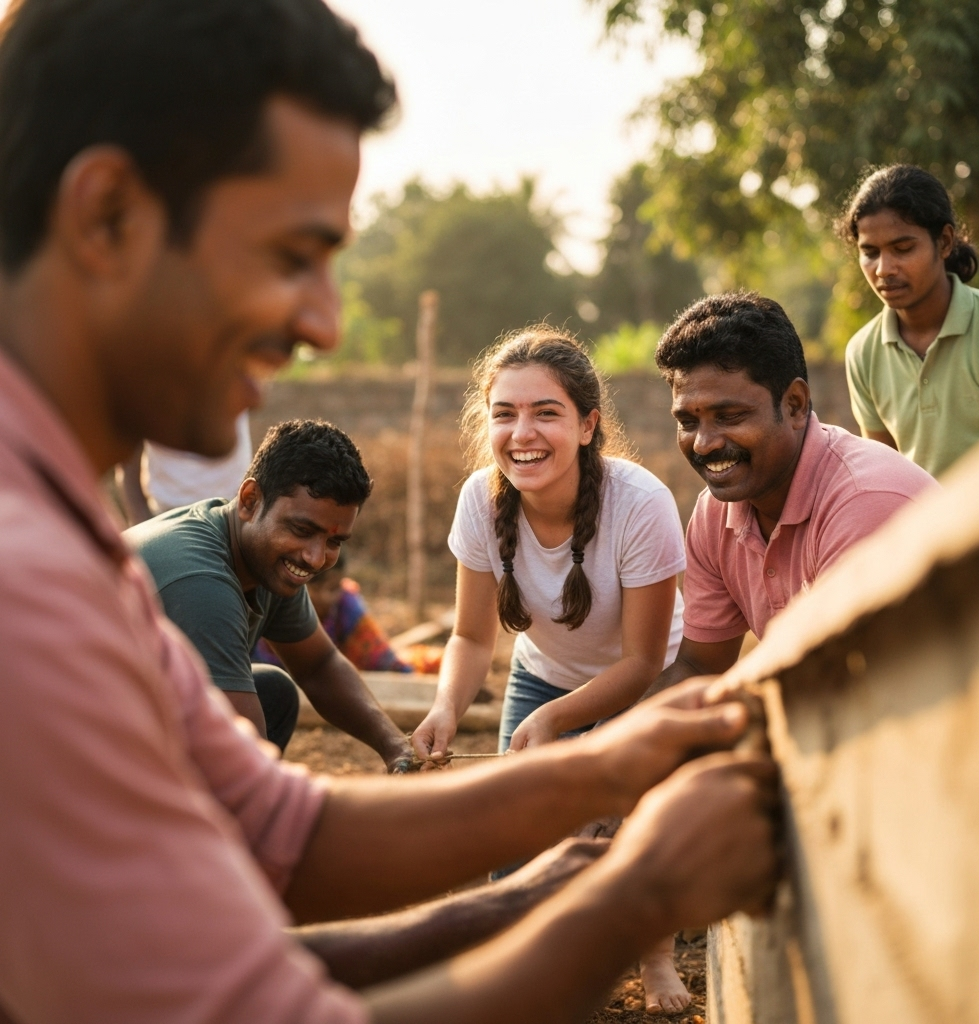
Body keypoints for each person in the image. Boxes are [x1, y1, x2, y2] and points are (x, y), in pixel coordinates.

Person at [0, 2, 780, 1022]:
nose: (323, 320)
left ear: (588, 427)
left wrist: (591, 786)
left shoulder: (73, 538)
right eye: (291, 254)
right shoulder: (30, 587)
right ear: (107, 214)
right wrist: (632, 895)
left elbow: (282, 831)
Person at [411, 327, 691, 1012]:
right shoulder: (481, 499)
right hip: (544, 675)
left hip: (648, 678)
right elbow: (472, 637)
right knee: (519, 841)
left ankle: (656, 958)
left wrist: (560, 721)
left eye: (546, 412)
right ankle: (541, 967)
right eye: (504, 413)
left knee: (634, 819)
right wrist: (447, 705)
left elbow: (643, 660)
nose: (522, 432)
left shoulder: (640, 502)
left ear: (588, 424)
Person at [647, 291, 938, 693]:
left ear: (796, 405)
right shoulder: (715, 514)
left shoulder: (864, 501)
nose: (703, 444)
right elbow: (699, 667)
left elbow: (845, 681)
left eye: (729, 416)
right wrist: (598, 748)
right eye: (688, 421)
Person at [128, 418, 414, 762]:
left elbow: (319, 666)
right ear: (250, 500)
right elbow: (247, 766)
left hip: (129, 717)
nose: (315, 557)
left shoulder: (261, 557)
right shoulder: (202, 583)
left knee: (273, 691)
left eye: (334, 541)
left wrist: (397, 748)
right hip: (71, 746)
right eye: (301, 529)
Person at [840, 164, 979, 477]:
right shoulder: (863, 353)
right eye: (870, 252)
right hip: (923, 525)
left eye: (903, 248)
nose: (883, 269)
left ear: (944, 242)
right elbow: (885, 477)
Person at [253, 549, 441, 674]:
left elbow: (382, 658)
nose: (335, 596)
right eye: (329, 589)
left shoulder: (345, 603)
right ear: (303, 587)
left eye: (338, 587)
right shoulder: (270, 602)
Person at [119, 410, 254, 524]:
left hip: (235, 510)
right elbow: (127, 453)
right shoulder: (149, 384)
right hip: (168, 518)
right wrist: (141, 521)